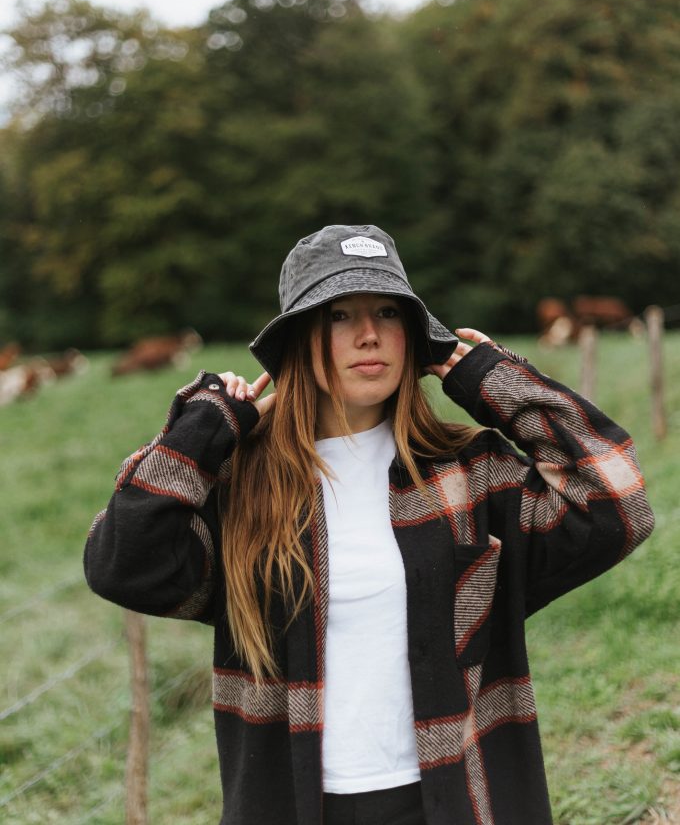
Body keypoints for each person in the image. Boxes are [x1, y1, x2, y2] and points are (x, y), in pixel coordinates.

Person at [84, 224, 654, 825]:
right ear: (299, 339)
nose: (369, 335)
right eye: (338, 316)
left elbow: (618, 504)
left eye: (388, 312)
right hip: (294, 806)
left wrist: (489, 378)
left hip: (456, 799)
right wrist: (201, 431)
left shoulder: (468, 472)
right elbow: (122, 565)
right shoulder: (245, 487)